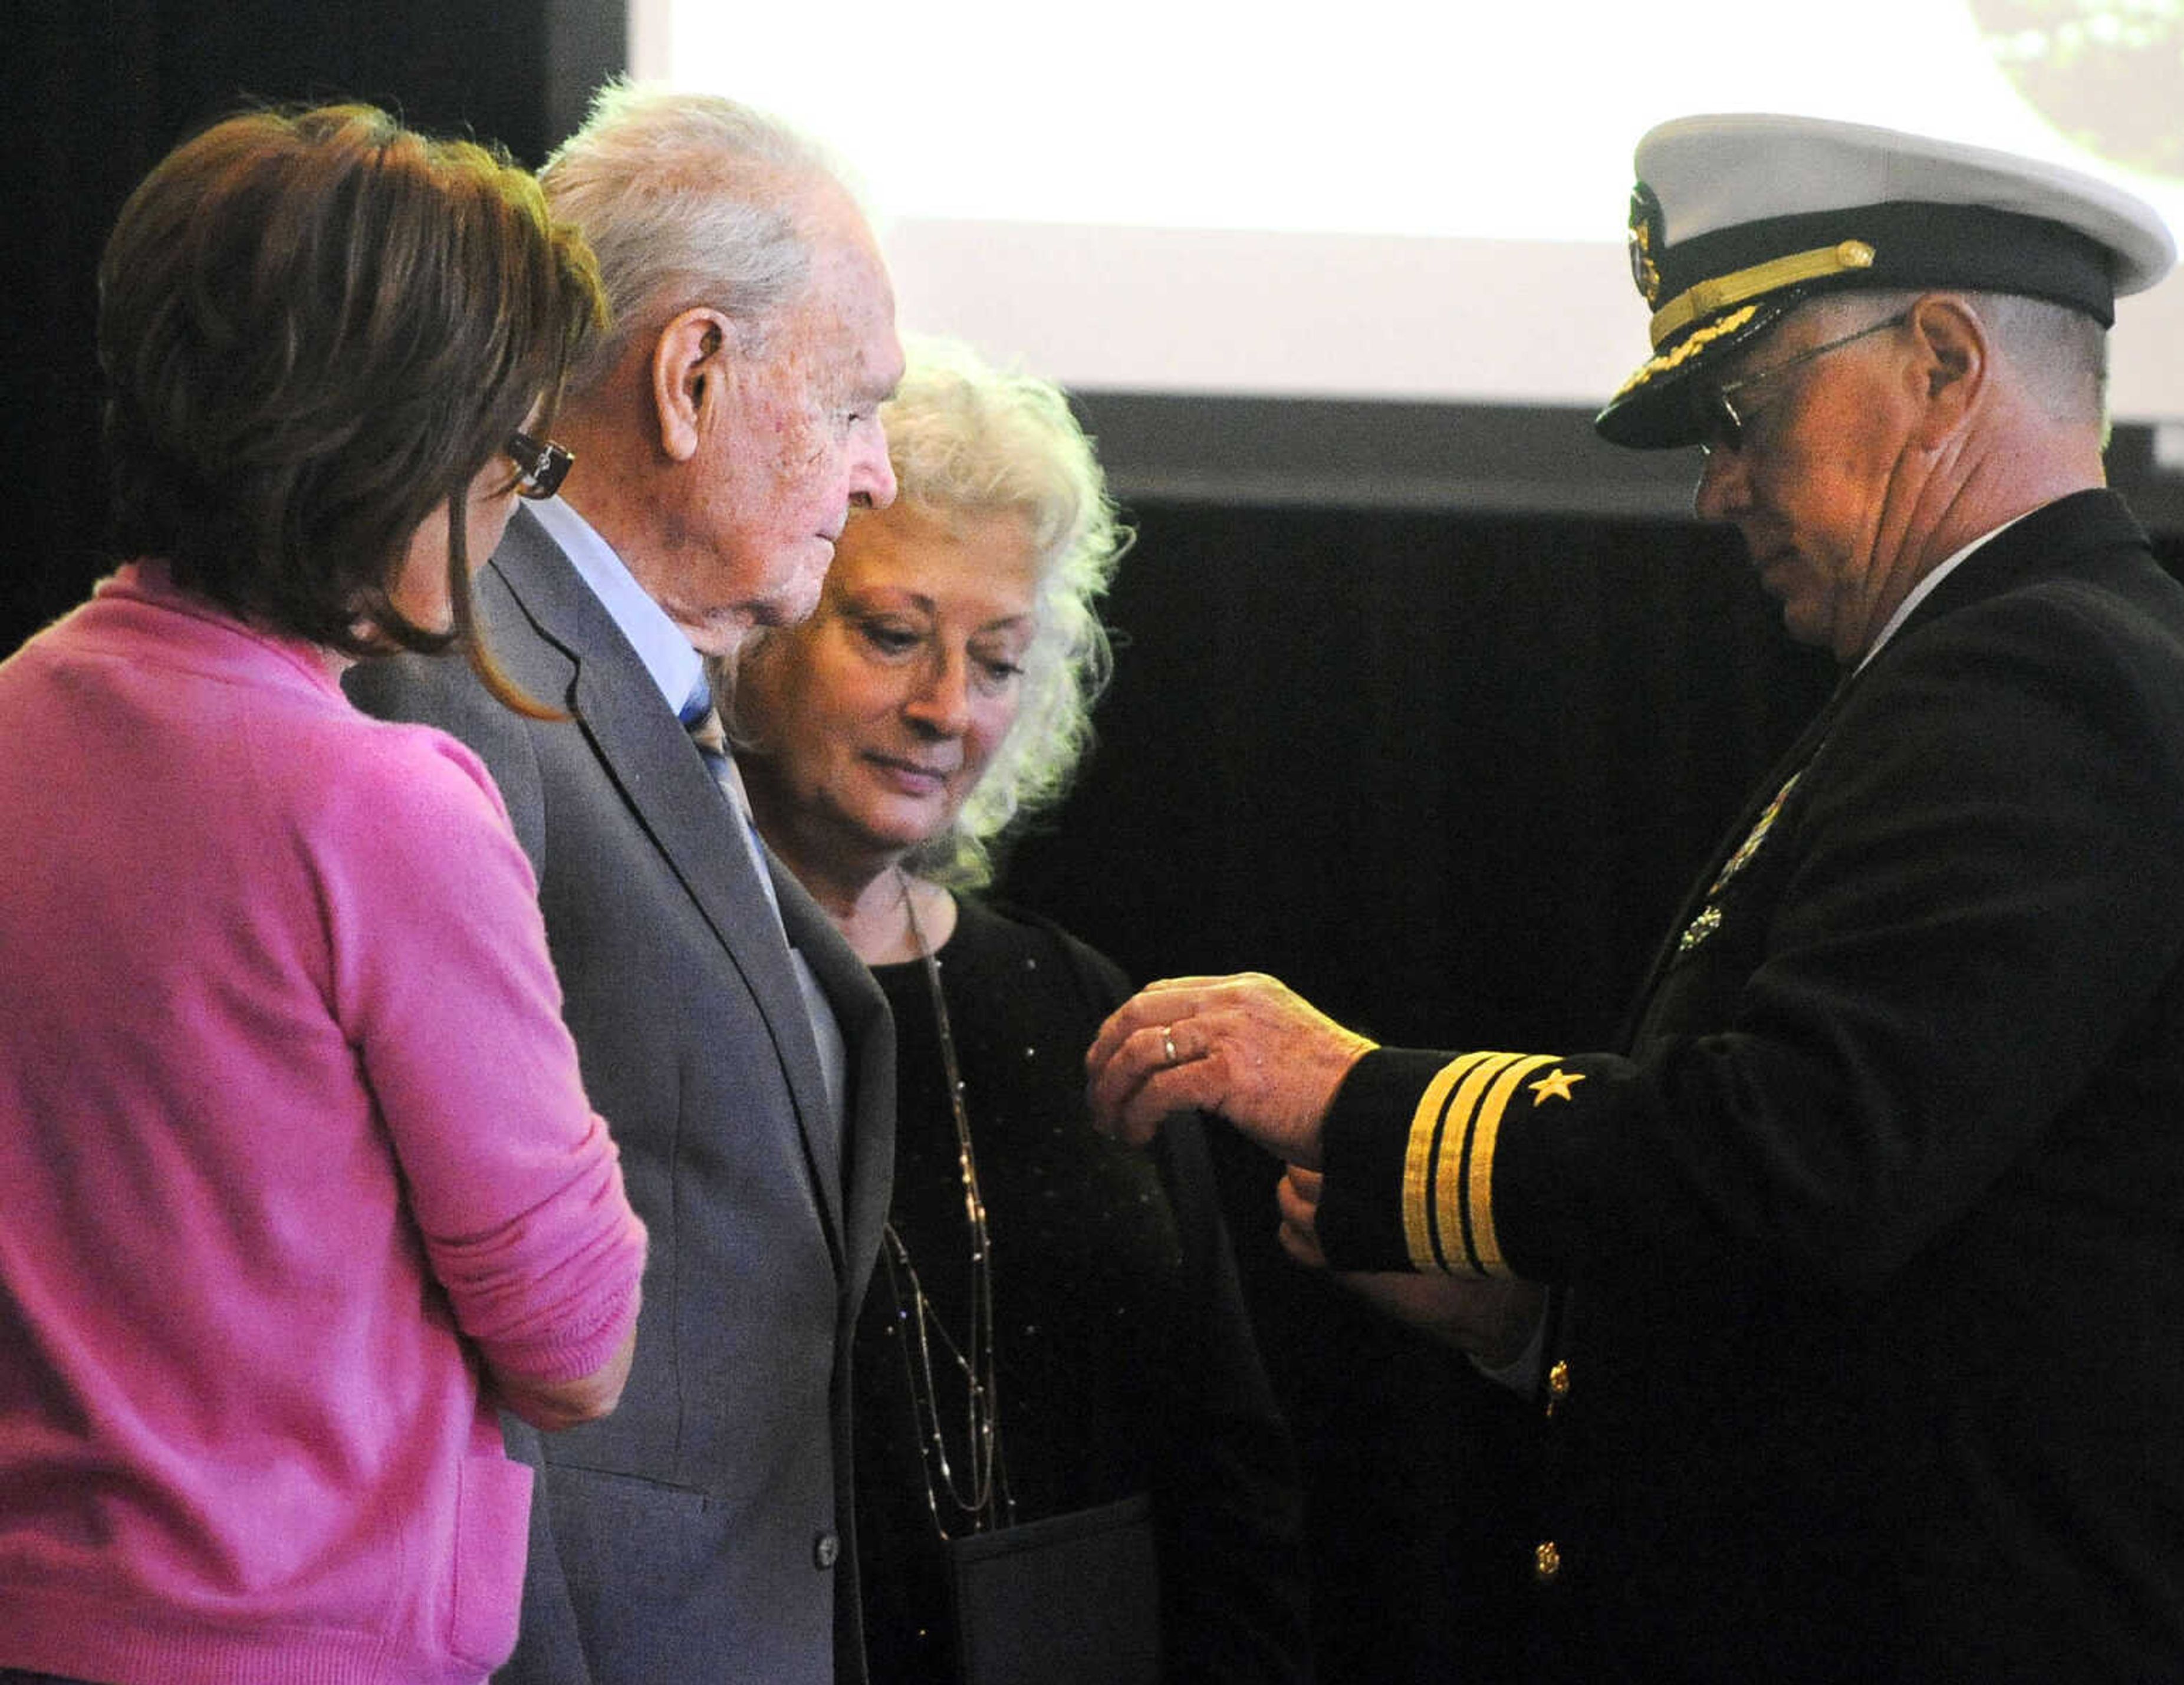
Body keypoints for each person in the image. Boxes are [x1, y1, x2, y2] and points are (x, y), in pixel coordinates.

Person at [1087, 113, 2184, 1681]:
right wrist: (1530, 1320)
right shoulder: (1996, 669)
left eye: (1742, 408)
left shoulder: (2043, 680)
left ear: (1943, 363)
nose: (1719, 489)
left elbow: (1799, 1161)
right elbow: (1902, 1292)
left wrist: (1358, 1098)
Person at [0, 105, 647, 1685]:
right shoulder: (384, 809)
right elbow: (580, 1350)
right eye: (511, 441)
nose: (521, 487)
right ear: (376, 430)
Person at [346, 83, 902, 1685]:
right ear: (694, 375)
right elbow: (416, 1295)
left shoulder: (624, 682)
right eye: (857, 404)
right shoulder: (462, 670)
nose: (877, 477)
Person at [719, 338, 1313, 1684]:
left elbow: (1224, 1465)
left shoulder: (1072, 996)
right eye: (891, 635)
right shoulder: (664, 981)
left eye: (995, 662)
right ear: (762, 614)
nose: (944, 710)